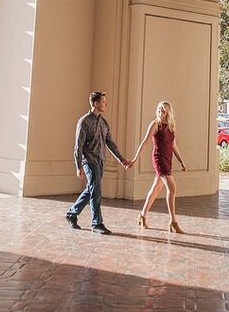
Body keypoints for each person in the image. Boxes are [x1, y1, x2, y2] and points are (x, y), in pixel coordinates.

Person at [66, 91, 131, 235]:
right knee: (96, 192)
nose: (106, 104)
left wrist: (122, 160)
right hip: (89, 161)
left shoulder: (104, 123)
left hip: (101, 161)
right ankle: (97, 223)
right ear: (96, 104)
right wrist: (79, 166)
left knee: (91, 190)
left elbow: (111, 144)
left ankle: (72, 213)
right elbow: (78, 146)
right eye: (103, 102)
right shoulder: (83, 122)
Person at [131, 100, 187, 233]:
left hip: (168, 159)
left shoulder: (172, 126)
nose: (161, 110)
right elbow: (145, 142)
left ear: (168, 111)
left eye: (164, 108)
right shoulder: (155, 124)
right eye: (160, 108)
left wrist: (181, 161)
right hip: (159, 159)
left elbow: (174, 146)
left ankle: (142, 216)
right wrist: (135, 159)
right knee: (172, 188)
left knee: (155, 189)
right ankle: (173, 222)